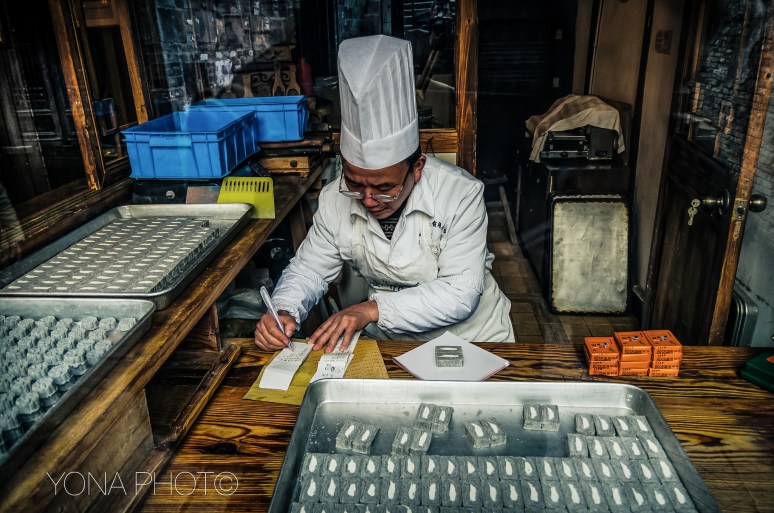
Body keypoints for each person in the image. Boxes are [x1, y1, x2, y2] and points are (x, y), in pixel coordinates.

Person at [254, 35, 514, 353]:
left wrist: (371, 309)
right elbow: (310, 268)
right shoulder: (335, 198)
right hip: (391, 344)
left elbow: (460, 292)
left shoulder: (460, 194)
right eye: (354, 182)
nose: (367, 199)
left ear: (416, 167)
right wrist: (284, 309)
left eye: (384, 188)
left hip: (471, 340)